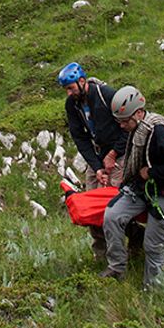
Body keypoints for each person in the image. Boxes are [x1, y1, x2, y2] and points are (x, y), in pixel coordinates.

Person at [100, 86, 164, 286]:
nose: (122, 126)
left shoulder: (159, 132)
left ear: (139, 113)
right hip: (141, 187)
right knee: (112, 217)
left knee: (152, 245)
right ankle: (117, 267)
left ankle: (154, 288)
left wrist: (151, 172)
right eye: (119, 121)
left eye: (125, 121)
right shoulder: (137, 129)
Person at [58, 62, 138, 259]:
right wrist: (97, 167)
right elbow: (80, 138)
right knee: (91, 204)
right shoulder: (72, 105)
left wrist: (112, 155)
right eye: (66, 89)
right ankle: (101, 253)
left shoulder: (106, 95)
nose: (69, 93)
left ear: (82, 81)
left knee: (116, 203)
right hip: (98, 155)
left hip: (120, 153)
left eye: (71, 88)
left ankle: (131, 241)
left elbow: (130, 127)